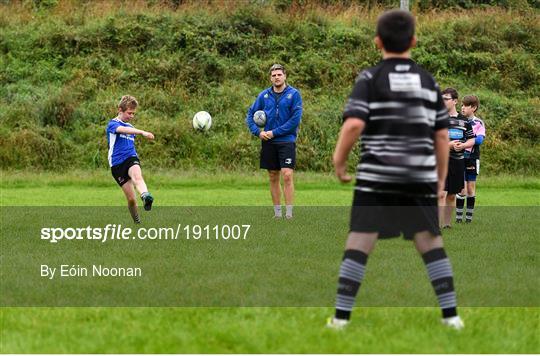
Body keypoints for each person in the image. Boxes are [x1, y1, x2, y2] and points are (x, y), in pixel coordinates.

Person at [327, 9, 464, 330]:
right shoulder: (428, 81)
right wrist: (440, 177)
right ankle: (452, 317)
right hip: (418, 177)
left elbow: (354, 124)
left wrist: (339, 160)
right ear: (413, 41)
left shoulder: (370, 78)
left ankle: (341, 319)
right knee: (431, 243)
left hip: (377, 178)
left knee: (359, 242)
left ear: (377, 42)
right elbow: (442, 135)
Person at [246, 64, 303, 219]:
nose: (277, 77)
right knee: (272, 175)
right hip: (268, 141)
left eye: (279, 74)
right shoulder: (264, 96)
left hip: (286, 140)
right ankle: (277, 213)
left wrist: (274, 132)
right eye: (274, 75)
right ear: (270, 78)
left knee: (287, 174)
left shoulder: (294, 94)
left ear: (285, 76)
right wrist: (258, 132)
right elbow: (250, 114)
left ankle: (289, 213)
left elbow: (295, 120)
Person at [106, 95, 155, 224]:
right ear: (120, 110)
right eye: (129, 113)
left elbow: (129, 129)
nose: (131, 116)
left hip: (130, 157)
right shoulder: (112, 124)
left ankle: (145, 195)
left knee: (137, 177)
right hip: (116, 164)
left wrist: (136, 131)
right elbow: (122, 129)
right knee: (131, 200)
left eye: (133, 113)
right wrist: (142, 132)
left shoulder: (132, 127)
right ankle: (137, 222)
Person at [440, 88, 475, 228]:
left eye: (446, 99)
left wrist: (464, 145)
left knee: (451, 195)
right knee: (441, 194)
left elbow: (472, 139)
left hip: (458, 162)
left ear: (454, 101)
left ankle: (447, 225)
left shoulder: (464, 121)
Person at [455, 95, 485, 223]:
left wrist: (464, 144)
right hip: (459, 158)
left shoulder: (478, 123)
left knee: (470, 188)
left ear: (473, 108)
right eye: (461, 105)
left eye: (465, 106)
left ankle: (468, 220)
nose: (462, 108)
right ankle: (458, 219)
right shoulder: (458, 121)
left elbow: (478, 140)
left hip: (472, 158)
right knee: (461, 188)